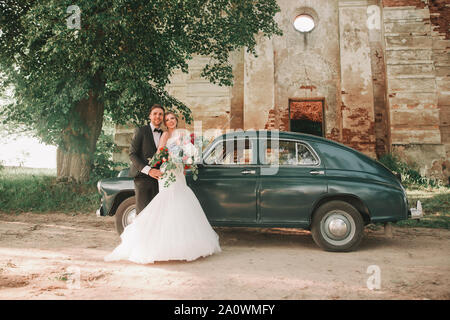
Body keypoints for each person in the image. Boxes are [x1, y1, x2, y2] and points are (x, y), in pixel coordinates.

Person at [104, 112, 221, 264]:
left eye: (172, 118)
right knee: (166, 202)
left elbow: (192, 153)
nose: (170, 121)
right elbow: (159, 153)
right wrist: (170, 155)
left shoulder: (184, 134)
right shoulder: (165, 135)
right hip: (167, 171)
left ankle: (183, 245)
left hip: (178, 172)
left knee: (182, 204)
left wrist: (185, 157)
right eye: (167, 119)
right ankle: (156, 245)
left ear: (176, 120)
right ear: (165, 123)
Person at [129, 104, 164, 215]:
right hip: (142, 179)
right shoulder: (141, 131)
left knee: (156, 213)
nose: (157, 116)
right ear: (150, 116)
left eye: (160, 114)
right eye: (155, 114)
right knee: (143, 214)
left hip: (159, 180)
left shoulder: (164, 134)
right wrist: (149, 170)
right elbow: (132, 154)